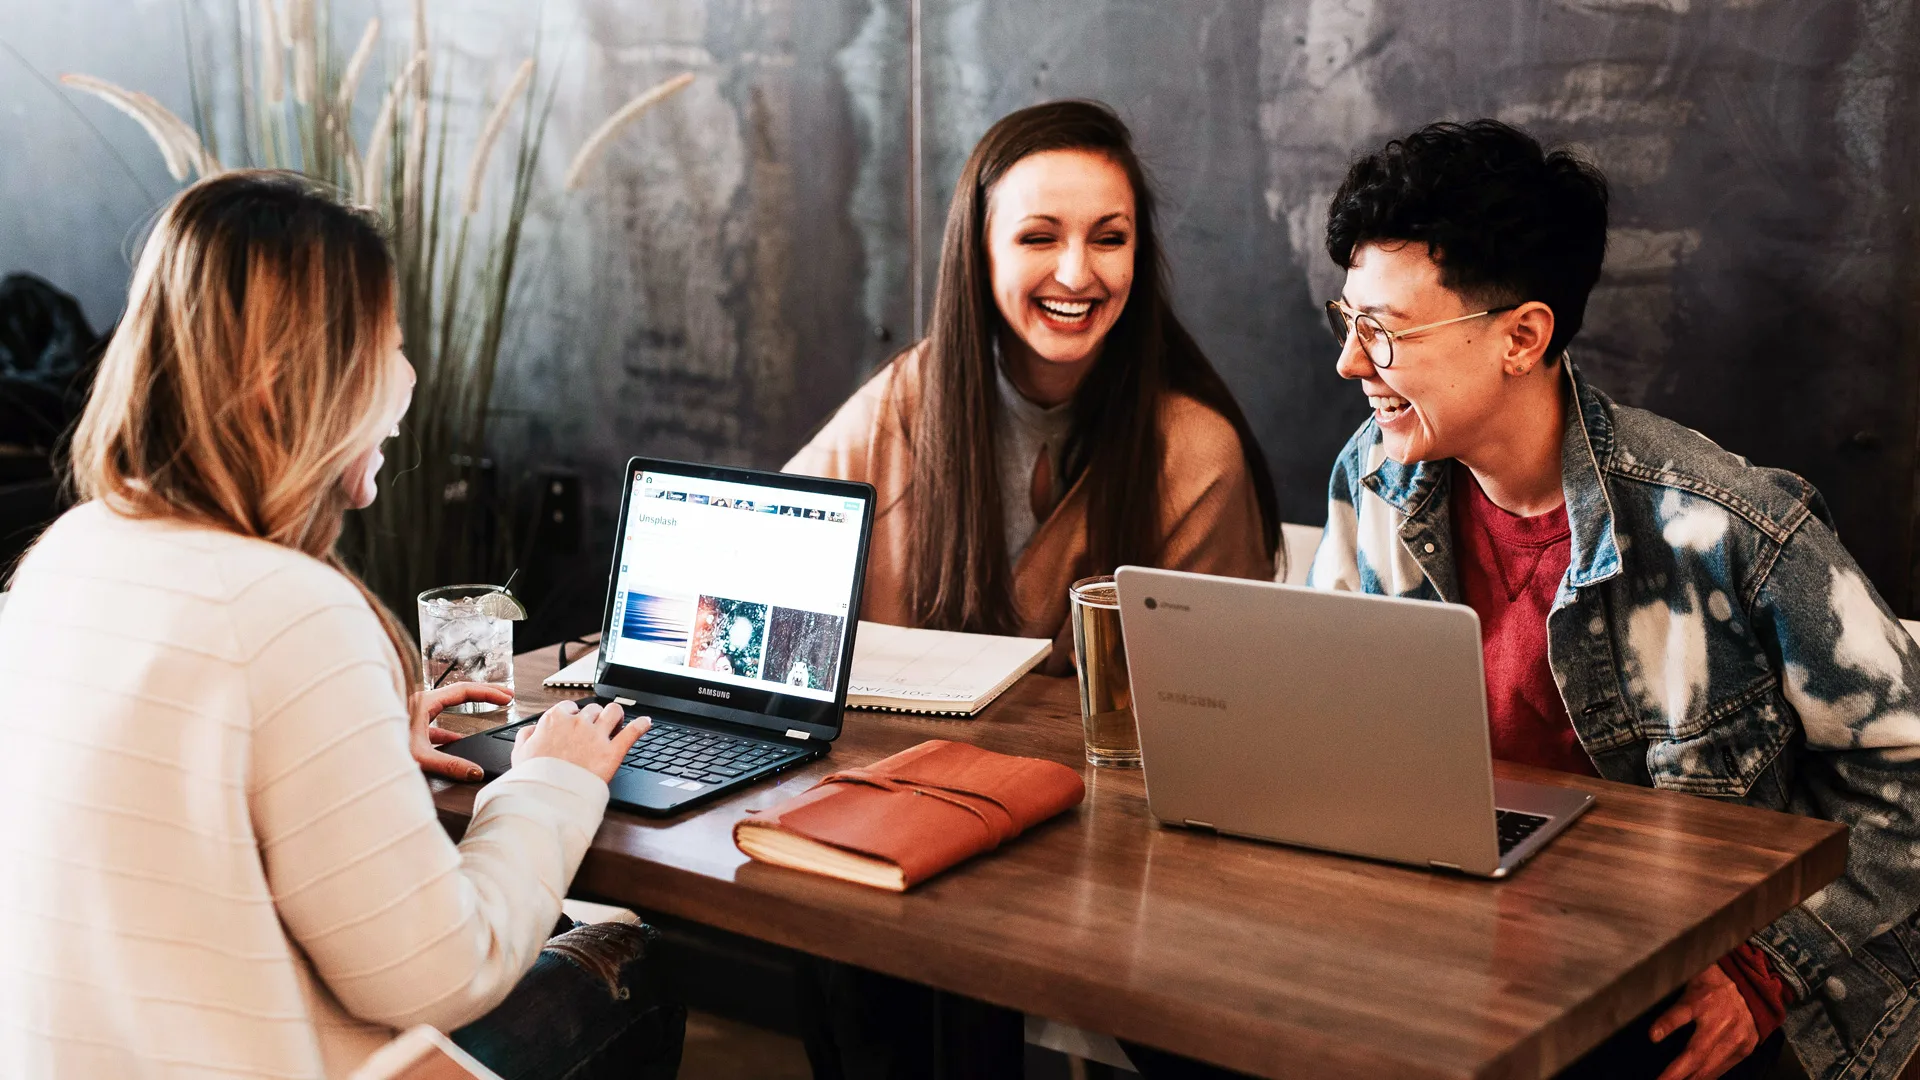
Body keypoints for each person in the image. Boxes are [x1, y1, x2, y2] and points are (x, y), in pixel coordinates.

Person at [0, 171, 683, 1079]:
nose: (407, 378)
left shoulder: (66, 555)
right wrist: (549, 783)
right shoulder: (289, 610)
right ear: (299, 381)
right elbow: (441, 978)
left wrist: (354, 748)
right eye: (389, 344)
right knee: (635, 961)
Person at [1309, 120, 1920, 1080]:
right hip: (1462, 941)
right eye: (1346, 319)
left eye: (1383, 330)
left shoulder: (1726, 529)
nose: (1351, 362)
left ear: (1522, 336)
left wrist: (1767, 972)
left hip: (1678, 976)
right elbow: (1329, 721)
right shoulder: (1375, 477)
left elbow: (1908, 777)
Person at [787, 99, 1280, 676]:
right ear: (980, 252)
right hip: (890, 764)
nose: (1076, 275)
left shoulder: (1196, 453)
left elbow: (1218, 699)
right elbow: (762, 560)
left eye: (1109, 238)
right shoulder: (901, 403)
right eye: (1039, 238)